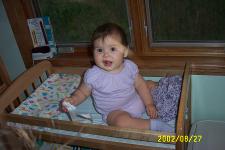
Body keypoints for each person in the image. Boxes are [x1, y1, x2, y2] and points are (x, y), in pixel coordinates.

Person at [60, 23, 173, 132]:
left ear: (124, 51)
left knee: (147, 85)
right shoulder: (92, 75)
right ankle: (154, 125)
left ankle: (165, 85)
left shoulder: (129, 67)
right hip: (114, 112)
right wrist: (73, 100)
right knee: (120, 123)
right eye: (100, 50)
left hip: (136, 100)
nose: (106, 55)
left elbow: (140, 85)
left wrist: (149, 103)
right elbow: (82, 93)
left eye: (112, 49)